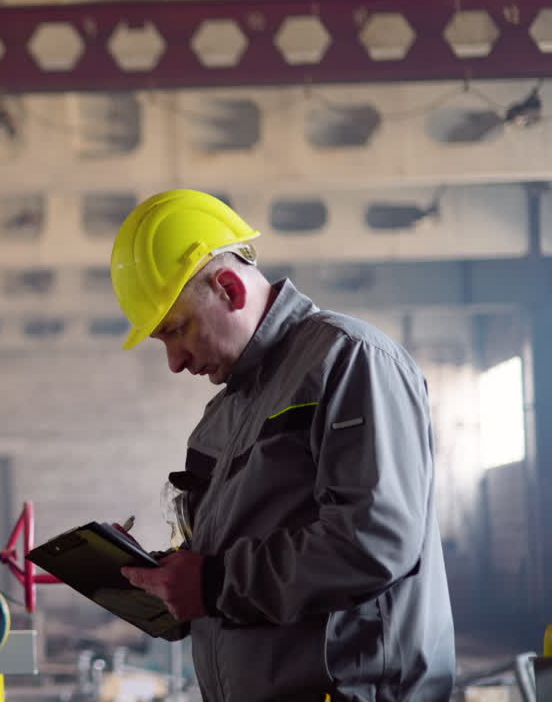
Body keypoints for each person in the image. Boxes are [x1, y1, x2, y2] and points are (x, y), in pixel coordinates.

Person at [110, 190, 456, 701]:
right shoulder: (223, 415)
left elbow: (373, 541)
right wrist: (163, 577)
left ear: (229, 288)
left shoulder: (349, 361)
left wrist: (211, 583)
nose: (175, 362)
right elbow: (230, 559)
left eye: (175, 331)